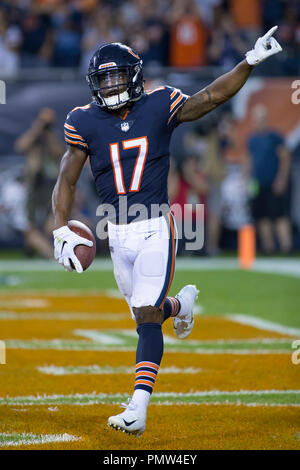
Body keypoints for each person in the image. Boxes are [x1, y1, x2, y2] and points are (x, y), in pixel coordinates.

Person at [52, 28, 282, 436]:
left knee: (145, 319)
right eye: (103, 80)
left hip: (156, 226)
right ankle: (183, 305)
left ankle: (137, 409)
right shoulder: (83, 120)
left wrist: (249, 60)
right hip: (116, 234)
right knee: (152, 315)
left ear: (135, 76)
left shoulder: (160, 104)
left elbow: (210, 97)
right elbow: (66, 179)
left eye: (117, 77)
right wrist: (59, 228)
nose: (111, 86)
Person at [15, 107, 63, 258]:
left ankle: (50, 253)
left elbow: (59, 152)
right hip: (35, 186)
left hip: (50, 185)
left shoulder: (52, 137)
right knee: (31, 227)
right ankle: (49, 255)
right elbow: (20, 146)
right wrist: (38, 128)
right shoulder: (33, 137)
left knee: (50, 226)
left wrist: (48, 134)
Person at [246, 104, 292, 254]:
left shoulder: (275, 137)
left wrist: (281, 179)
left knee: (279, 215)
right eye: (257, 119)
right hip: (258, 183)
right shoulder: (252, 139)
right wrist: (248, 180)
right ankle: (268, 248)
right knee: (262, 216)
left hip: (274, 182)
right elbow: (250, 160)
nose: (259, 122)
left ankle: (286, 248)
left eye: (262, 118)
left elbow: (285, 158)